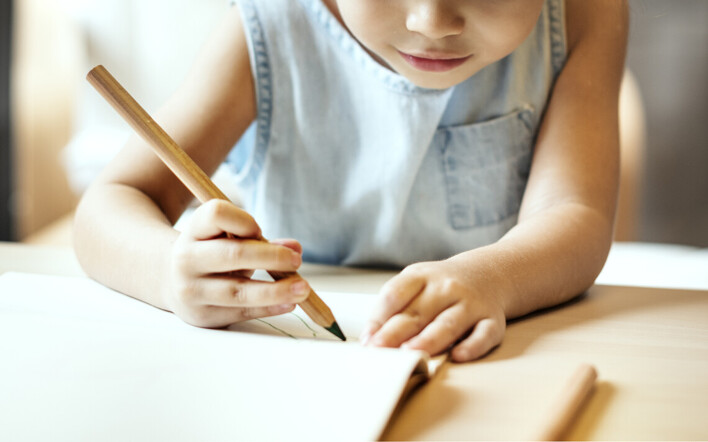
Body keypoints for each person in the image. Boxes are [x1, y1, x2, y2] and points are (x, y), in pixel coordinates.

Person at [73, 0, 628, 362]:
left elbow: (576, 213)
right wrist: (169, 273)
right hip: (294, 359)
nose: (431, 22)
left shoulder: (586, 14)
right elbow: (111, 203)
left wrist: (493, 280)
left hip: (491, 361)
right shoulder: (270, 22)